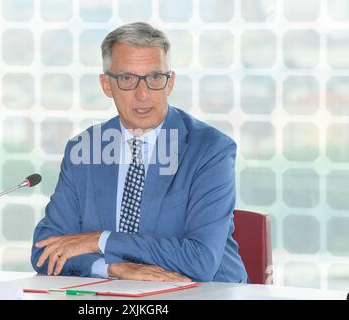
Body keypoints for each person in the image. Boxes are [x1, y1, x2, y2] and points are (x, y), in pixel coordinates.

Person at [31, 22, 248, 283]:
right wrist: (111, 268)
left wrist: (101, 241)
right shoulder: (84, 149)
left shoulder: (210, 150)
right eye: (127, 79)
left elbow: (200, 261)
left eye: (155, 78)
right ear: (106, 85)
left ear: (170, 83)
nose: (143, 94)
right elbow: (45, 250)